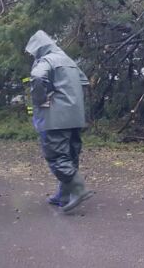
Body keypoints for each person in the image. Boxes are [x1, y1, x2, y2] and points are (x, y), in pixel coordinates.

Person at [25, 30, 94, 212]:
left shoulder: (47, 60)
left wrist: (41, 100)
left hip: (55, 117)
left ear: (39, 48)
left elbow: (38, 77)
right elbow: (84, 81)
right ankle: (64, 195)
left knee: (56, 156)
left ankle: (78, 189)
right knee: (70, 155)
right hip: (75, 117)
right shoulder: (69, 60)